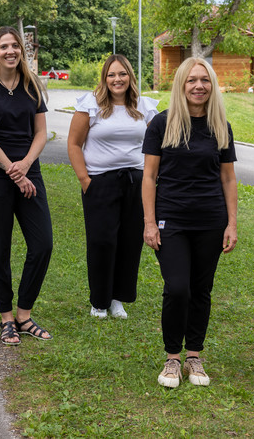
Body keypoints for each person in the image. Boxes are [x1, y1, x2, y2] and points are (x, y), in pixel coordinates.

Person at [141, 57, 238, 388]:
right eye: (192, 80)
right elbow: (149, 176)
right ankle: (172, 358)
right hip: (172, 219)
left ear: (212, 86)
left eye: (205, 80)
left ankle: (194, 355)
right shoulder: (161, 124)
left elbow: (228, 179)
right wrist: (149, 222)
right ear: (181, 85)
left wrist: (232, 224)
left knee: (201, 289)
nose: (199, 86)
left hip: (211, 219)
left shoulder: (220, 126)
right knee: (178, 287)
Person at [0, 26, 54, 346]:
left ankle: (24, 315)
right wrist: (13, 172)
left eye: (15, 45)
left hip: (30, 172)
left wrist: (26, 165)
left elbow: (41, 133)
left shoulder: (32, 85)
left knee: (43, 244)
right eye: (4, 46)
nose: (10, 51)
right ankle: (6, 318)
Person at [67, 54, 158, 319]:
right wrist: (85, 180)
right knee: (102, 242)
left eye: (122, 74)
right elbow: (74, 144)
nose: (117, 79)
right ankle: (99, 301)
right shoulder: (91, 105)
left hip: (136, 182)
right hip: (100, 182)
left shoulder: (144, 106)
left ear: (130, 76)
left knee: (130, 242)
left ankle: (118, 299)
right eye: (111, 75)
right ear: (104, 78)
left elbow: (155, 147)